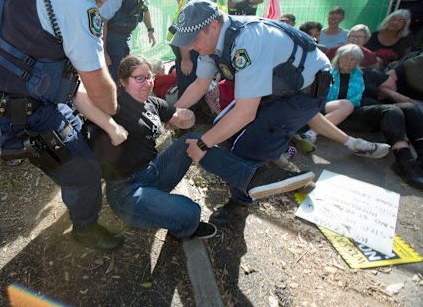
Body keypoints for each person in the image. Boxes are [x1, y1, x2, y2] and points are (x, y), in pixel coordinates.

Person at [0, 0, 144, 251]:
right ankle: (85, 229)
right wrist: (117, 115)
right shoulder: (75, 1)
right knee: (85, 171)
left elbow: (60, 79)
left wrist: (107, 122)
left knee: (81, 131)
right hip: (17, 113)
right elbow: (100, 92)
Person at [170, 0, 390, 222]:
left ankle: (240, 204)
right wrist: (171, 113)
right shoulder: (211, 43)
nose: (189, 47)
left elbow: (245, 112)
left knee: (248, 146)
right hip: (276, 86)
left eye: (192, 40)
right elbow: (200, 84)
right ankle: (287, 172)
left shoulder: (247, 41)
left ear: (213, 27)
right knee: (225, 129)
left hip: (303, 92)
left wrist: (202, 144)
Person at [88, 56, 315, 233]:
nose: (147, 83)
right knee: (191, 213)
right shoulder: (114, 105)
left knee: (195, 139)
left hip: (154, 172)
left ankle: (252, 178)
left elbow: (182, 118)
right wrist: (109, 126)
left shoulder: (153, 102)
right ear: (122, 81)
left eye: (150, 77)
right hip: (127, 190)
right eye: (139, 78)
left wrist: (185, 117)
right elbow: (88, 102)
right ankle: (170, 221)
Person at [171, 0, 253, 102]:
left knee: (201, 81)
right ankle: (181, 121)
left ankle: (193, 116)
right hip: (188, 42)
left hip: (204, 39)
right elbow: (187, 32)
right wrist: (186, 58)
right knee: (190, 82)